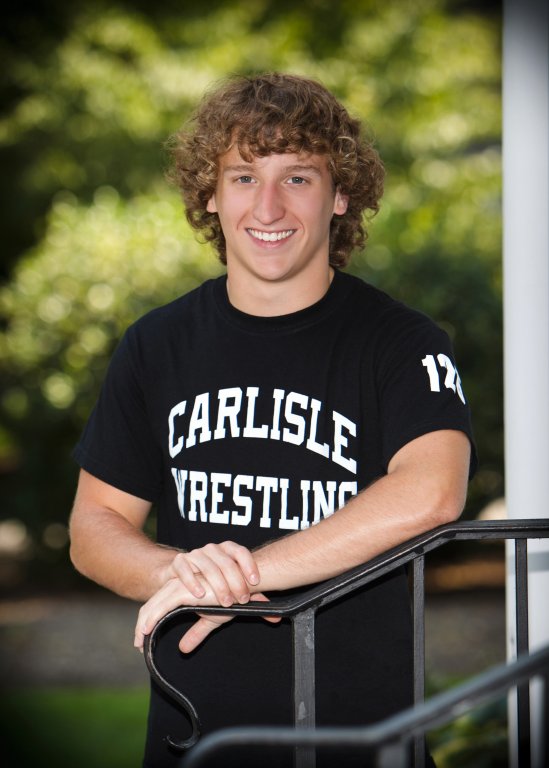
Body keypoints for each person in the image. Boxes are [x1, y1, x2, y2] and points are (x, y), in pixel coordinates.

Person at [69, 72, 475, 768]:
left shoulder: (401, 343)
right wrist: (181, 573)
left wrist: (248, 574)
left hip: (357, 741)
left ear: (339, 195)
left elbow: (433, 491)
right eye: (242, 177)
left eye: (297, 177)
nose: (267, 205)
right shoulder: (157, 344)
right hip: (193, 736)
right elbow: (93, 528)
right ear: (210, 194)